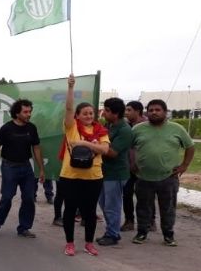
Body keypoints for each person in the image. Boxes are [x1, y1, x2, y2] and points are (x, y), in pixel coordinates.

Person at [58, 76, 110, 256]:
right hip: (70, 176)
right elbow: (69, 107)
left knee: (89, 212)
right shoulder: (71, 127)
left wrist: (85, 144)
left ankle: (89, 243)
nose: (88, 116)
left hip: (93, 177)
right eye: (84, 113)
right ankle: (70, 243)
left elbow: (104, 150)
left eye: (91, 113)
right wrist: (71, 88)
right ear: (77, 116)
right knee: (70, 210)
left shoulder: (101, 130)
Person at [131, 99, 194, 247]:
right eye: (151, 110)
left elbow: (190, 147)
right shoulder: (137, 129)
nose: (154, 112)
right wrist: (131, 163)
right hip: (143, 177)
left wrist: (184, 165)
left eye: (158, 110)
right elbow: (129, 147)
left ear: (165, 112)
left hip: (168, 177)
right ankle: (142, 233)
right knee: (142, 207)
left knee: (168, 208)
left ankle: (168, 235)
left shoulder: (177, 129)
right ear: (147, 112)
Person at [0, 99, 45, 238]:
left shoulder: (32, 128)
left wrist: (41, 169)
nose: (29, 114)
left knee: (29, 198)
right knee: (7, 197)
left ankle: (24, 228)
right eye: (25, 112)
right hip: (9, 167)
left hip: (26, 168)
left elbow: (36, 148)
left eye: (30, 111)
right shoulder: (6, 128)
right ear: (17, 113)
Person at [96, 98, 133, 246]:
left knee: (112, 205)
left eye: (106, 110)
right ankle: (110, 231)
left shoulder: (125, 130)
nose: (103, 112)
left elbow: (112, 153)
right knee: (104, 204)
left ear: (115, 113)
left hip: (115, 174)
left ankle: (113, 234)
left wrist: (93, 146)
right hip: (103, 172)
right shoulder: (109, 125)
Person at [121, 100, 147, 232]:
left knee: (145, 195)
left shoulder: (147, 125)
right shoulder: (126, 125)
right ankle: (129, 220)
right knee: (126, 194)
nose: (126, 112)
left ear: (137, 111)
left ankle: (149, 221)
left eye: (129, 110)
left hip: (143, 167)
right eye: (126, 110)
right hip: (128, 167)